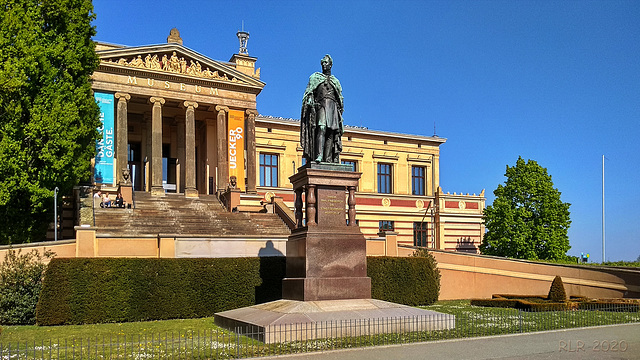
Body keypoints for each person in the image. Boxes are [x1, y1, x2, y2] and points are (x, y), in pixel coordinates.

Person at [300, 54, 344, 164]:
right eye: (323, 63)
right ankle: (319, 155)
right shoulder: (315, 77)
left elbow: (340, 98)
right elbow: (309, 93)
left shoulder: (335, 81)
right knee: (321, 128)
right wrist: (309, 100)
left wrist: (340, 109)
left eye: (326, 63)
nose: (324, 65)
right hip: (321, 106)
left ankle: (328, 158)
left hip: (332, 108)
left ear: (331, 65)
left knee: (331, 132)